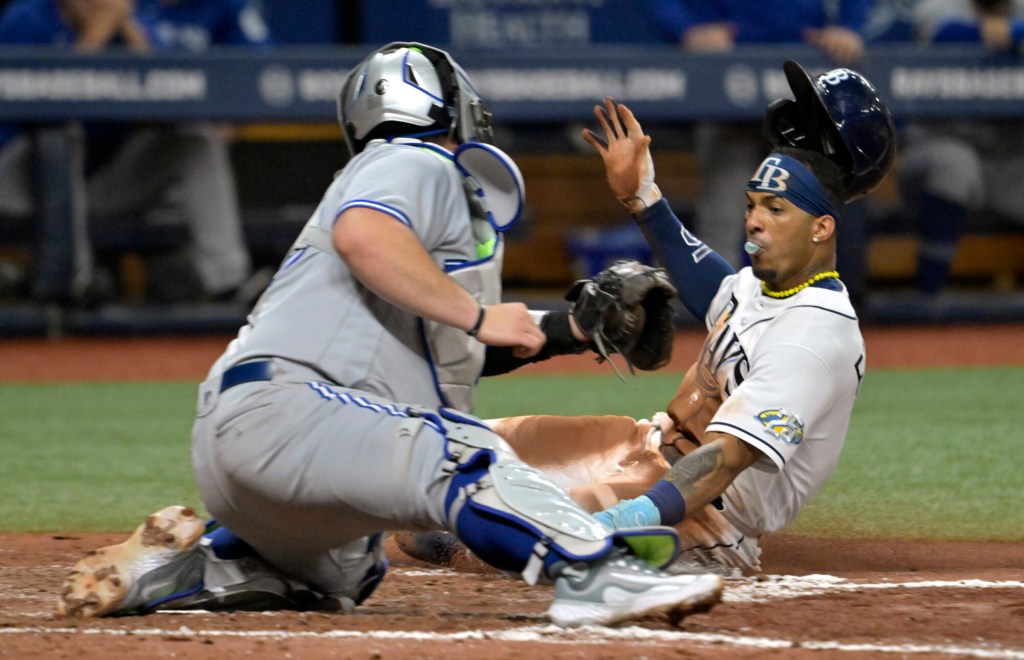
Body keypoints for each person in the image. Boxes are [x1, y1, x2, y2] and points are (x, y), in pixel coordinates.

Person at [55, 42, 725, 628]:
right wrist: (479, 314)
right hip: (290, 412)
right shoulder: (413, 159)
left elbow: (446, 346)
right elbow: (363, 237)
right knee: (463, 449)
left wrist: (568, 327)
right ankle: (592, 575)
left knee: (347, 571)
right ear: (432, 101)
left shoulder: (412, 221)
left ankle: (193, 566)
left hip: (274, 457)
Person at [398, 61, 897, 577]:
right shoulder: (763, 287)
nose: (753, 220)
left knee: (522, 536)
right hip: (640, 447)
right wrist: (641, 195)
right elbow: (716, 286)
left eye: (775, 209)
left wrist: (626, 516)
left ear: (821, 228)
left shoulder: (813, 336)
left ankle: (526, 542)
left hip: (702, 515)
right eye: (752, 205)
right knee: (439, 454)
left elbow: (725, 458)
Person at [0, 0, 260, 305]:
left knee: (196, 139)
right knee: (60, 137)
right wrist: (95, 37)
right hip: (23, 182)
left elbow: (168, 93)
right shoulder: (26, 17)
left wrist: (126, 27)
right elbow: (57, 103)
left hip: (100, 182)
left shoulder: (130, 19)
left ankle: (228, 283)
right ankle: (75, 278)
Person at [639, 0, 875, 278]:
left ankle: (821, 310)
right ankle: (723, 312)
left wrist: (849, 27)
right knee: (724, 215)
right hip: (725, 70)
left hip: (805, 65)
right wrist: (686, 29)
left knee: (815, 213)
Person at [897, 0, 1024, 294]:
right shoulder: (941, 6)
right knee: (955, 163)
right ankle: (930, 297)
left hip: (1008, 163)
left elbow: (1008, 31)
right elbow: (946, 33)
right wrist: (992, 33)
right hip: (936, 150)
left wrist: (1012, 30)